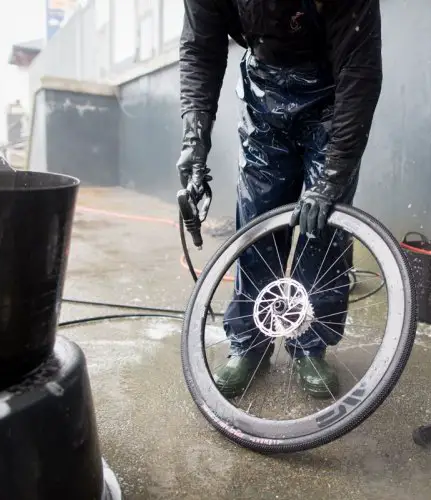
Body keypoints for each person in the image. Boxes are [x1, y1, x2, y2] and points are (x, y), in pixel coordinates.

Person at [177, 0, 382, 399]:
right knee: (255, 220)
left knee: (323, 225)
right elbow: (201, 49)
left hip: (333, 92)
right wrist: (194, 140)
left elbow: (360, 71)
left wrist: (332, 178)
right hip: (264, 89)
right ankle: (250, 343)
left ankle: (310, 344)